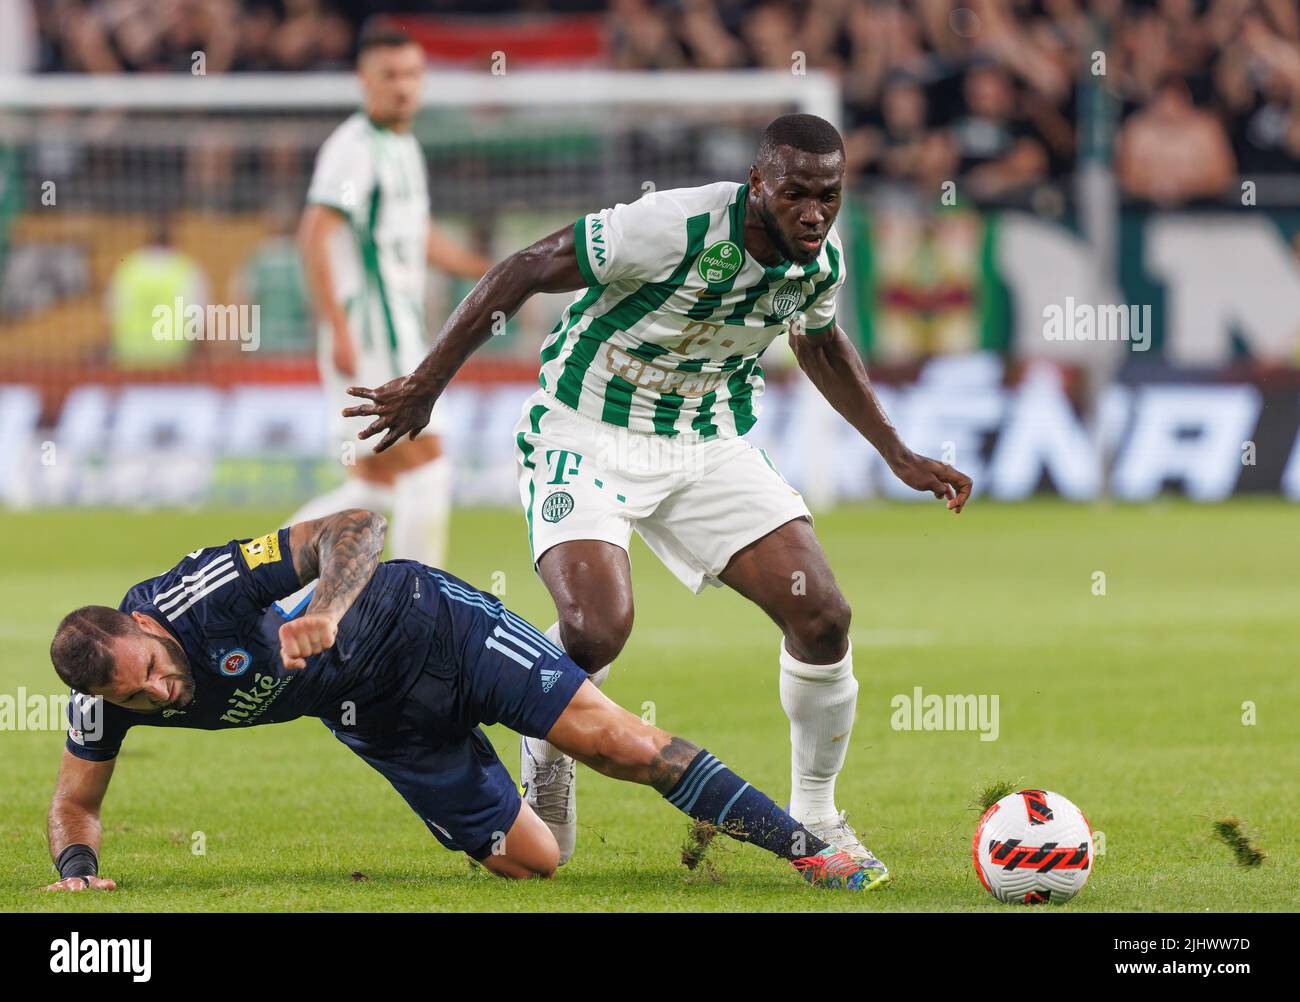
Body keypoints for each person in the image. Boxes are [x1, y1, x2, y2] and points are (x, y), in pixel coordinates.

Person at [345, 113, 972, 870]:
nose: (814, 212)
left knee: (823, 615)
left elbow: (818, 342)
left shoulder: (819, 262)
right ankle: (547, 750)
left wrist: (897, 454)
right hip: (583, 430)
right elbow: (527, 266)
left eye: (829, 196)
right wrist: (427, 383)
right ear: (758, 184)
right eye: (797, 193)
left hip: (705, 445)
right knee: (595, 629)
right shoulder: (670, 225)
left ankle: (817, 813)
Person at [44, 510, 884, 892]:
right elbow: (73, 804)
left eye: (153, 665)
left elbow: (359, 528)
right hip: (371, 717)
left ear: (144, 623)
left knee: (620, 746)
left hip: (423, 621)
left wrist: (328, 609)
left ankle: (811, 851)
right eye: (140, 696)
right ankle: (533, 753)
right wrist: (76, 871)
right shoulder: (110, 700)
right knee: (536, 863)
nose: (162, 689)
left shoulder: (204, 592)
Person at [289, 20, 490, 568]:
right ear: (365, 80)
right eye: (391, 75)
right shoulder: (352, 148)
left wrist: (491, 272)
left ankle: (264, 569)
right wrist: (337, 327)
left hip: (401, 334)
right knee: (430, 467)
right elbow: (314, 233)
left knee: (377, 483)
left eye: (412, 74)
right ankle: (418, 600)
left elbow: (417, 236)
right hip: (369, 336)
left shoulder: (403, 147)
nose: (403, 86)